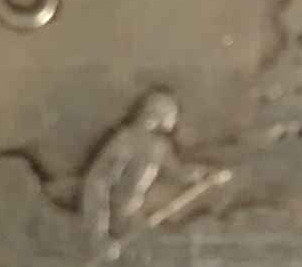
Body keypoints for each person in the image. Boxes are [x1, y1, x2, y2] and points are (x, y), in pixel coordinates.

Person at [82, 89, 216, 240]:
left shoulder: (158, 146)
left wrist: (205, 175)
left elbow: (176, 172)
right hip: (114, 218)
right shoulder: (126, 142)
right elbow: (99, 184)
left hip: (134, 213)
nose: (175, 120)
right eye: (172, 115)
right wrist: (99, 232)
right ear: (158, 115)